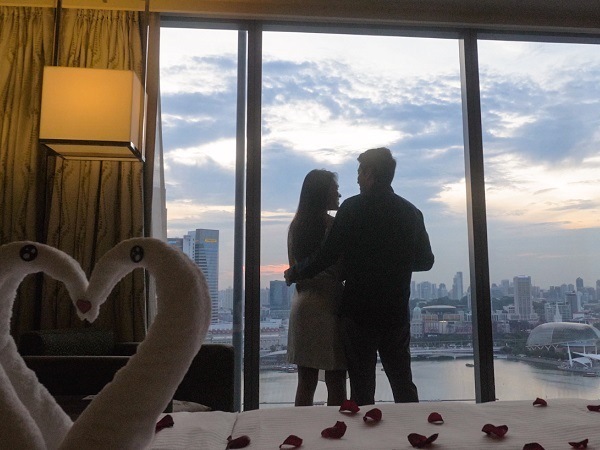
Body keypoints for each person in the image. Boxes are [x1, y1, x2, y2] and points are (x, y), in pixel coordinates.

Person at [285, 147, 434, 406]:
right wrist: (394, 263)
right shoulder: (411, 212)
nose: (356, 179)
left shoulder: (352, 208)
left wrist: (296, 272)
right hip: (395, 312)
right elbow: (426, 261)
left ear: (370, 173)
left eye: (359, 172)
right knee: (403, 383)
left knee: (362, 390)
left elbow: (327, 255)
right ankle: (413, 427)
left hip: (358, 313)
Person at [286, 169, 347, 407]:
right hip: (330, 305)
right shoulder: (333, 226)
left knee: (305, 382)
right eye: (335, 189)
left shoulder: (295, 227)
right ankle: (336, 428)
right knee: (336, 380)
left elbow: (295, 268)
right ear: (322, 194)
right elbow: (343, 268)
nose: (339, 194)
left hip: (303, 305)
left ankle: (301, 427)